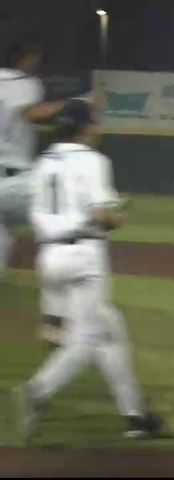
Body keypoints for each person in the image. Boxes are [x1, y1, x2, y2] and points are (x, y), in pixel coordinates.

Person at [12, 99, 162, 443]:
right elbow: (101, 216)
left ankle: (136, 416)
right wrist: (119, 212)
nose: (97, 129)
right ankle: (38, 390)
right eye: (94, 123)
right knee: (89, 338)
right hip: (83, 257)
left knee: (110, 330)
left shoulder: (42, 162)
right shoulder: (94, 161)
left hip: (48, 256)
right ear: (84, 128)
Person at [0, 41, 74, 345]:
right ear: (25, 58)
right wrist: (75, 104)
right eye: (35, 57)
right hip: (15, 181)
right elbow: (32, 113)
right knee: (63, 229)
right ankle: (53, 321)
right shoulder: (25, 82)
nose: (37, 62)